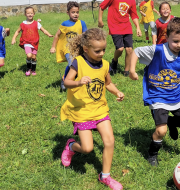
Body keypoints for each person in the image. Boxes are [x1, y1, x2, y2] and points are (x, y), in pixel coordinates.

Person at [60, 28, 124, 190]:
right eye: (98, 51)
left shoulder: (105, 65)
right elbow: (67, 82)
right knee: (87, 148)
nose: (102, 53)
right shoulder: (78, 62)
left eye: (104, 49)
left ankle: (105, 176)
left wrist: (116, 91)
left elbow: (108, 83)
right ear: (86, 49)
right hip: (82, 112)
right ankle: (71, 146)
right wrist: (78, 82)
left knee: (109, 141)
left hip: (100, 110)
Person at [129, 17, 180, 166]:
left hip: (177, 95)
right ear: (167, 37)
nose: (179, 45)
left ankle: (171, 122)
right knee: (161, 131)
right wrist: (132, 71)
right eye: (176, 41)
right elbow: (136, 52)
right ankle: (152, 154)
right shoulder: (157, 50)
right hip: (157, 96)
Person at [98, 0, 142, 76]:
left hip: (127, 27)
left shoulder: (132, 1)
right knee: (120, 48)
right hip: (114, 26)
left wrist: (138, 27)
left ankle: (126, 71)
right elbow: (102, 7)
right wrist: (100, 20)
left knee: (129, 49)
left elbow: (133, 15)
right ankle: (114, 61)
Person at [50, 1, 87, 90]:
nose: (75, 14)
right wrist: (53, 47)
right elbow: (57, 35)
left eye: (77, 12)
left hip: (79, 49)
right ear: (68, 12)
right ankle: (65, 79)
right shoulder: (65, 24)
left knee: (78, 65)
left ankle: (75, 81)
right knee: (72, 64)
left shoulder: (82, 23)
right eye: (73, 12)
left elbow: (86, 35)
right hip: (67, 49)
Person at [11, 6, 53, 76]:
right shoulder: (23, 24)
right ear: (25, 14)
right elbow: (17, 32)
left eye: (31, 13)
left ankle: (33, 70)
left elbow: (43, 30)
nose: (30, 14)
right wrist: (13, 39)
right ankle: (28, 69)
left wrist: (48, 34)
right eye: (28, 13)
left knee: (34, 57)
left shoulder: (37, 23)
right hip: (26, 42)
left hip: (34, 42)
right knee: (29, 55)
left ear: (34, 14)